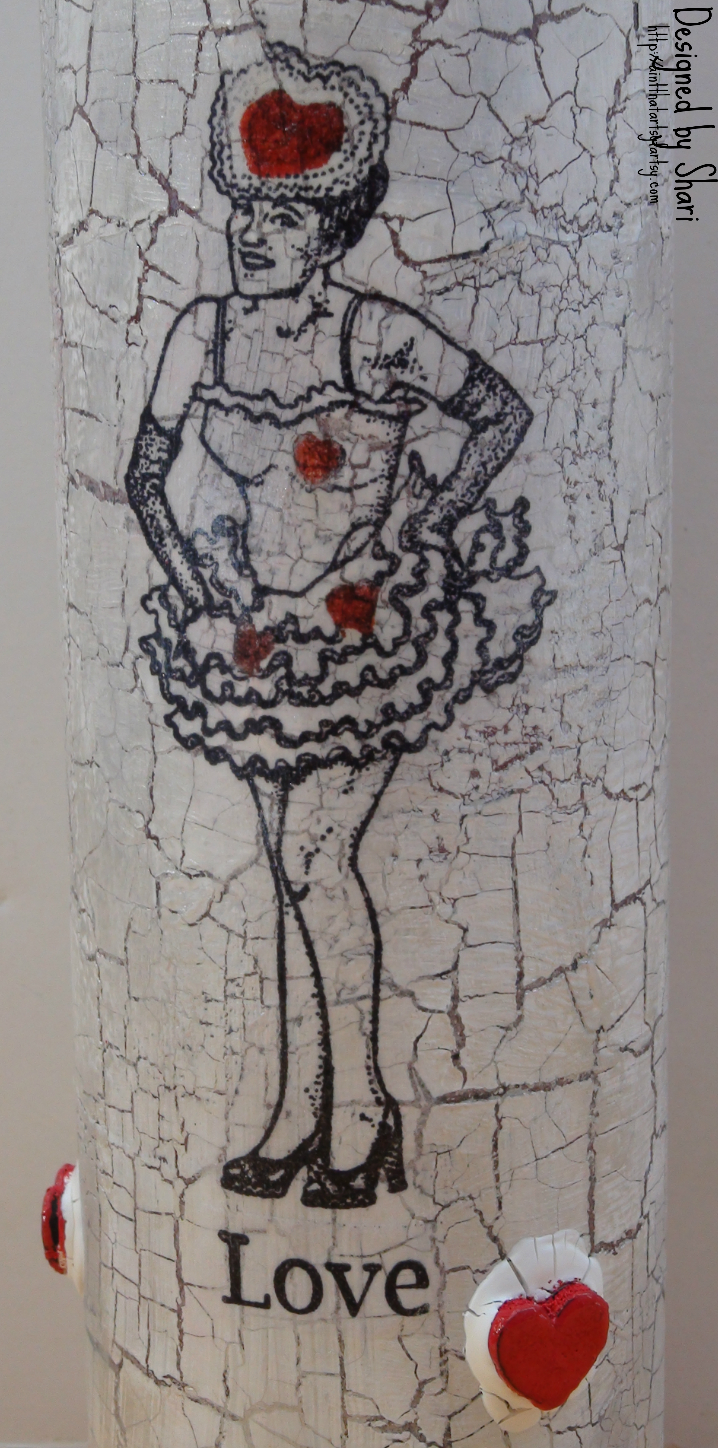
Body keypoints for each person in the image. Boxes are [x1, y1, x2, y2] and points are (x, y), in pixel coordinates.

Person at [126, 41, 554, 1209]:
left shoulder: (375, 335)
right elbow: (147, 469)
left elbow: (497, 412)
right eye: (245, 212)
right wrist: (201, 585)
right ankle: (297, 1108)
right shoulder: (203, 332)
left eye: (286, 217)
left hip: (361, 633)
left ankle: (360, 1111)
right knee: (286, 864)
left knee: (315, 855)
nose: (254, 236)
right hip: (257, 639)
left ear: (329, 230)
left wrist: (426, 526)